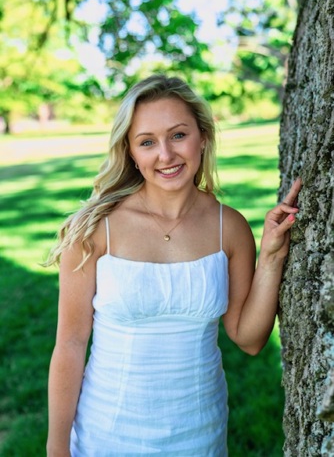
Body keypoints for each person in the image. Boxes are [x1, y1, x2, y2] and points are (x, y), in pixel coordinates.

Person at [46, 74, 301, 456]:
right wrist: (57, 446)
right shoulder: (94, 229)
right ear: (131, 152)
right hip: (107, 434)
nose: (165, 155)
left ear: (203, 135)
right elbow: (70, 343)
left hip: (199, 435)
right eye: (147, 142)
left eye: (178, 135)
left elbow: (248, 339)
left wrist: (271, 257)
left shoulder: (228, 227)